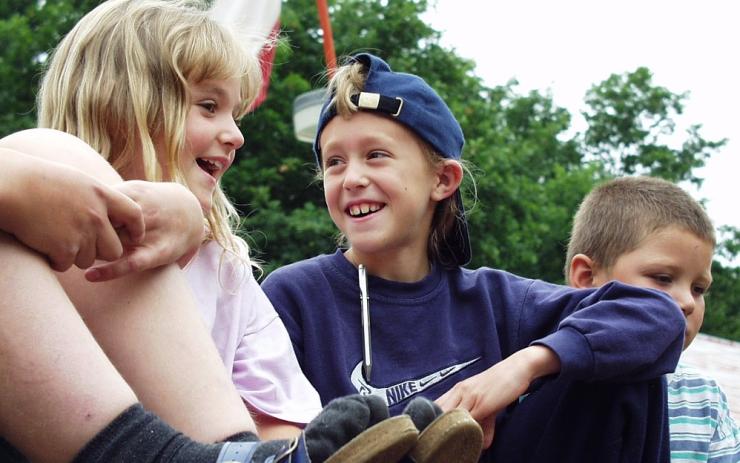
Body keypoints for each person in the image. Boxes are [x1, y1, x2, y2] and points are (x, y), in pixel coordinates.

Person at [261, 52, 687, 462]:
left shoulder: (497, 299)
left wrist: (522, 367)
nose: (352, 177)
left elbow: (656, 316)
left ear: (443, 179)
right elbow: (267, 439)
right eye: (334, 162)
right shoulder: (294, 295)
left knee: (623, 363)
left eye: (376, 155)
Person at [31, 0, 321, 440]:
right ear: (119, 105)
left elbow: (282, 419)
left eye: (235, 114)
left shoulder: (225, 268)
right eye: (208, 106)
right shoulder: (29, 233)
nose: (237, 136)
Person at [564, 175, 740, 462]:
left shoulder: (703, 398)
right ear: (587, 278)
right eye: (663, 278)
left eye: (699, 289)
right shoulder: (530, 379)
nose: (686, 302)